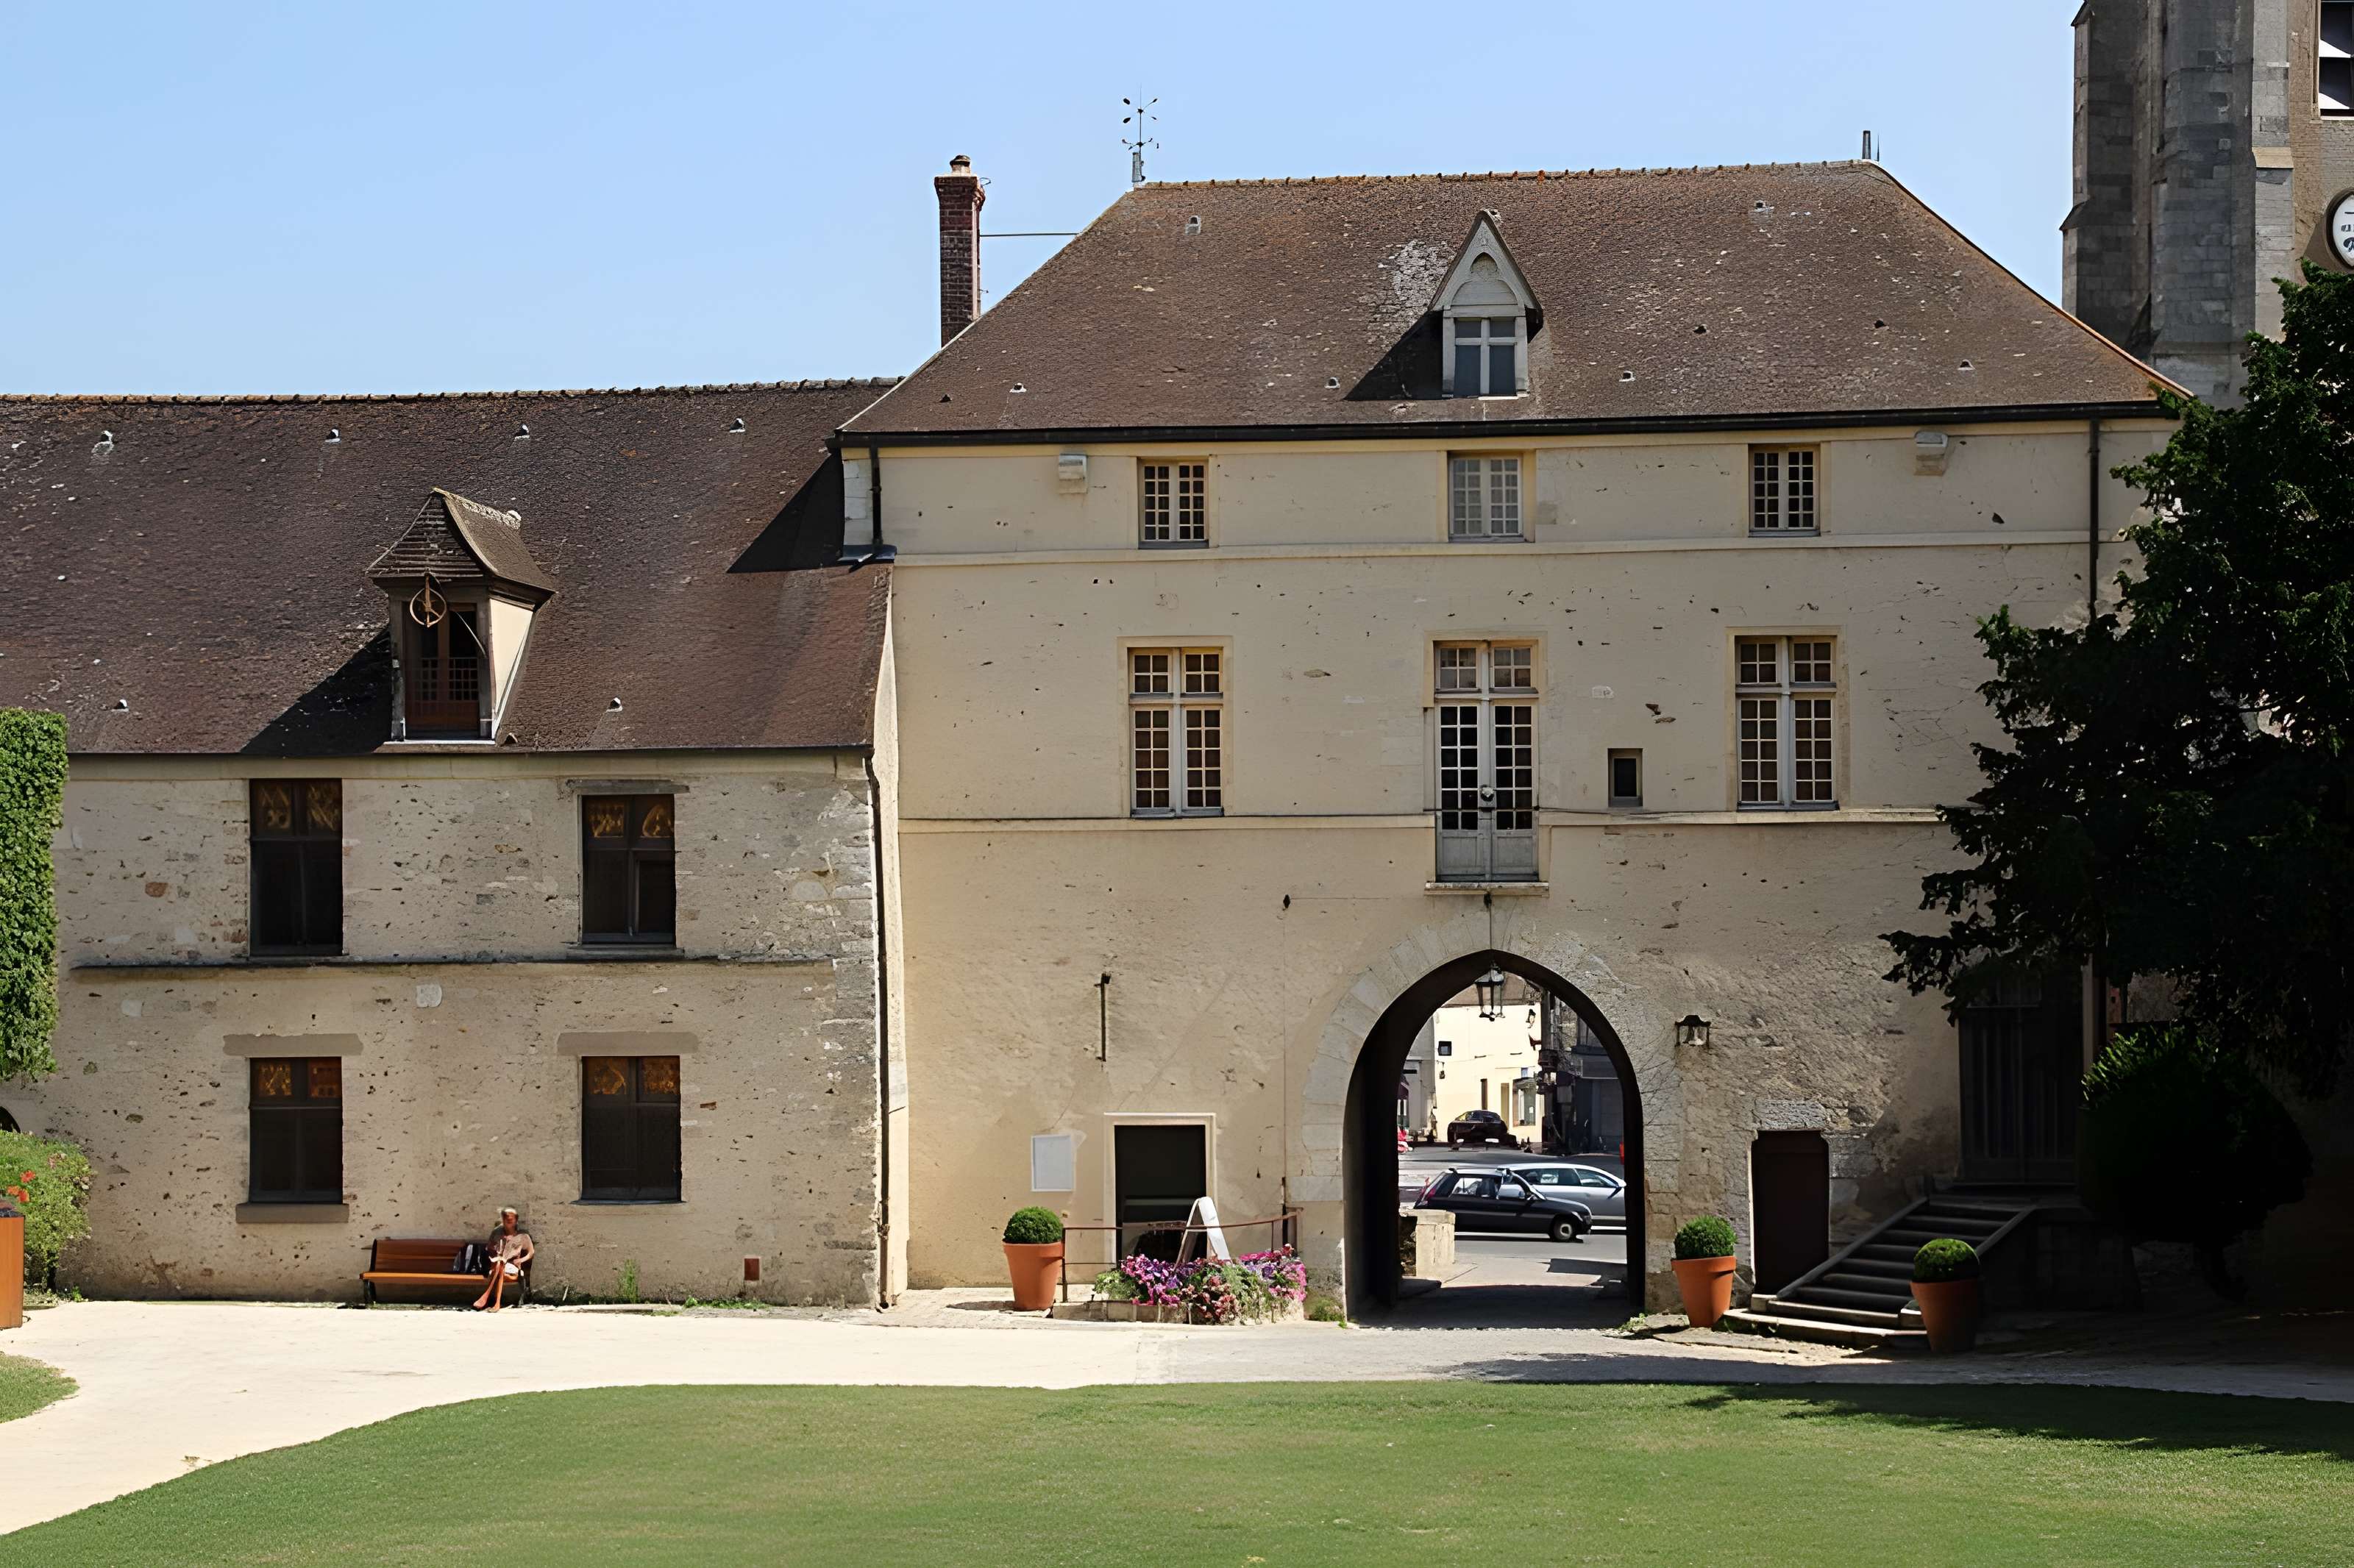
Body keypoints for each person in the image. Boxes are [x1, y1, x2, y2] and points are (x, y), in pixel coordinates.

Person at [472, 1207, 534, 1311]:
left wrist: (520, 1260)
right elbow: (489, 1249)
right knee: (500, 1263)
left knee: (501, 1264)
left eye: (511, 1218)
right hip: (496, 1265)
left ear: (516, 1219)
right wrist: (494, 1255)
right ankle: (497, 1304)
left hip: (513, 1267)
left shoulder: (523, 1236)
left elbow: (531, 1253)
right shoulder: (497, 1233)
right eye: (506, 1217)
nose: (508, 1219)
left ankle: (491, 1298)